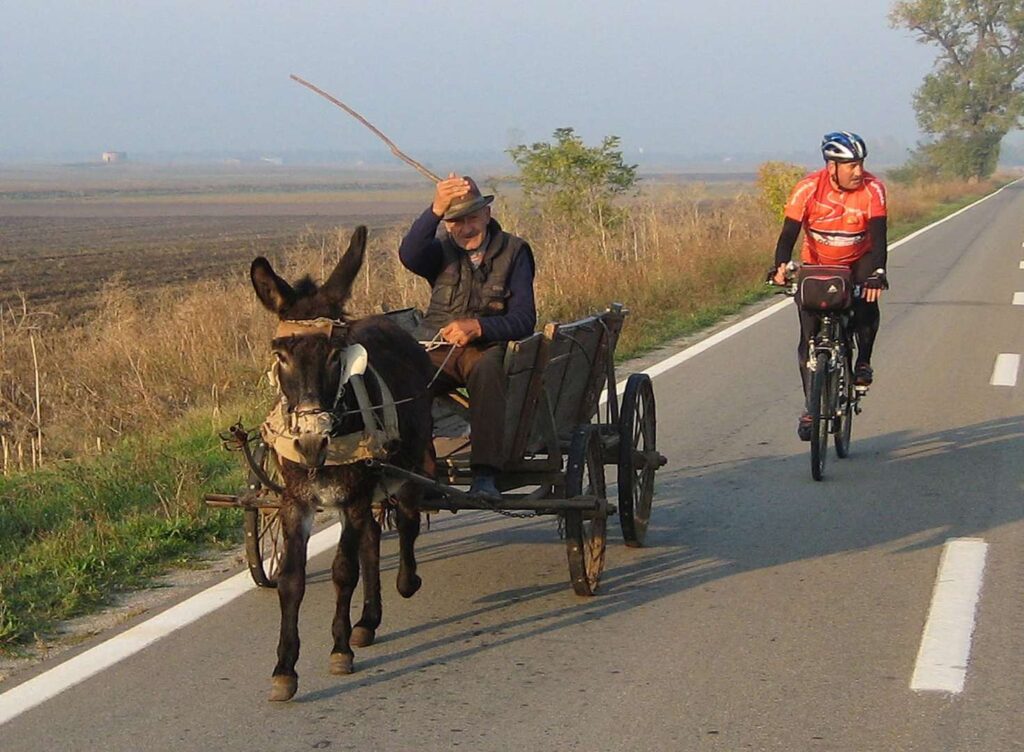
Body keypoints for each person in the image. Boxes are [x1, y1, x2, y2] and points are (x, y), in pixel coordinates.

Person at [399, 174, 537, 496]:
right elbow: (409, 254)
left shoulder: (515, 251)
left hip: (485, 348)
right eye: (456, 221)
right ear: (448, 225)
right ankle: (423, 472)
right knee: (407, 376)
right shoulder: (438, 253)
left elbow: (524, 319)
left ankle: (486, 473)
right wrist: (435, 208)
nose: (466, 228)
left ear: (487, 215)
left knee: (488, 369)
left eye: (472, 218)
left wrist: (480, 328)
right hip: (437, 347)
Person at [771, 131, 889, 441]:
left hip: (858, 260)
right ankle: (811, 407)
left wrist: (877, 271)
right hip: (818, 262)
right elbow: (788, 235)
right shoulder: (808, 188)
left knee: (867, 301)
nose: (858, 171)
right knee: (807, 335)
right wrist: (780, 265)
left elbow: (878, 236)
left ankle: (862, 361)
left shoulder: (873, 189)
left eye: (860, 164)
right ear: (831, 166)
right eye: (850, 165)